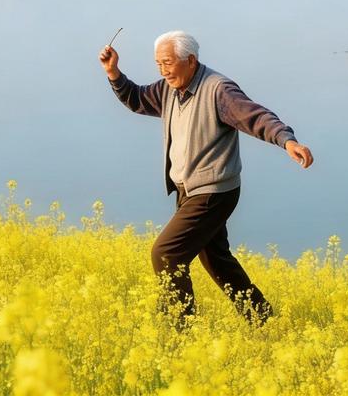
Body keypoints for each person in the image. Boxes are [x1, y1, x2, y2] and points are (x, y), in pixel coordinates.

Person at [98, 30, 314, 325]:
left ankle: (181, 328)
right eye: (158, 64)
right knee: (217, 260)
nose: (163, 70)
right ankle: (263, 319)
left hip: (213, 191)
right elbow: (137, 98)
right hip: (189, 189)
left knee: (166, 254)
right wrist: (113, 73)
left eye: (168, 63)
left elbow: (256, 117)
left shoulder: (218, 90)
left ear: (191, 60)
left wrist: (287, 140)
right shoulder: (169, 89)